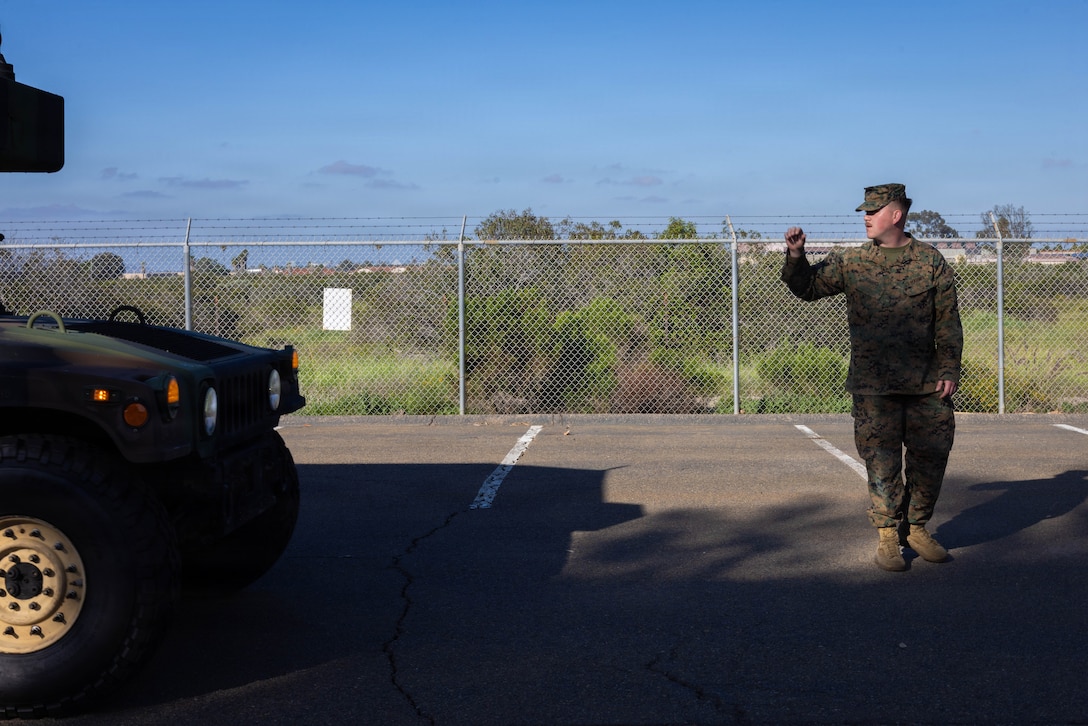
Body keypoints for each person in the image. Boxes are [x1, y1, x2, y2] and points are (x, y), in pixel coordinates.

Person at [781, 183, 963, 571]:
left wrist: (949, 368)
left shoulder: (931, 262)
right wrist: (796, 255)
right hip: (873, 385)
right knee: (881, 462)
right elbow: (807, 287)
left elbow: (948, 322)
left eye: (873, 211)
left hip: (925, 384)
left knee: (931, 457)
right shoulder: (852, 261)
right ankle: (887, 537)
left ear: (895, 215)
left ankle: (916, 527)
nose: (865, 217)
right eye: (864, 211)